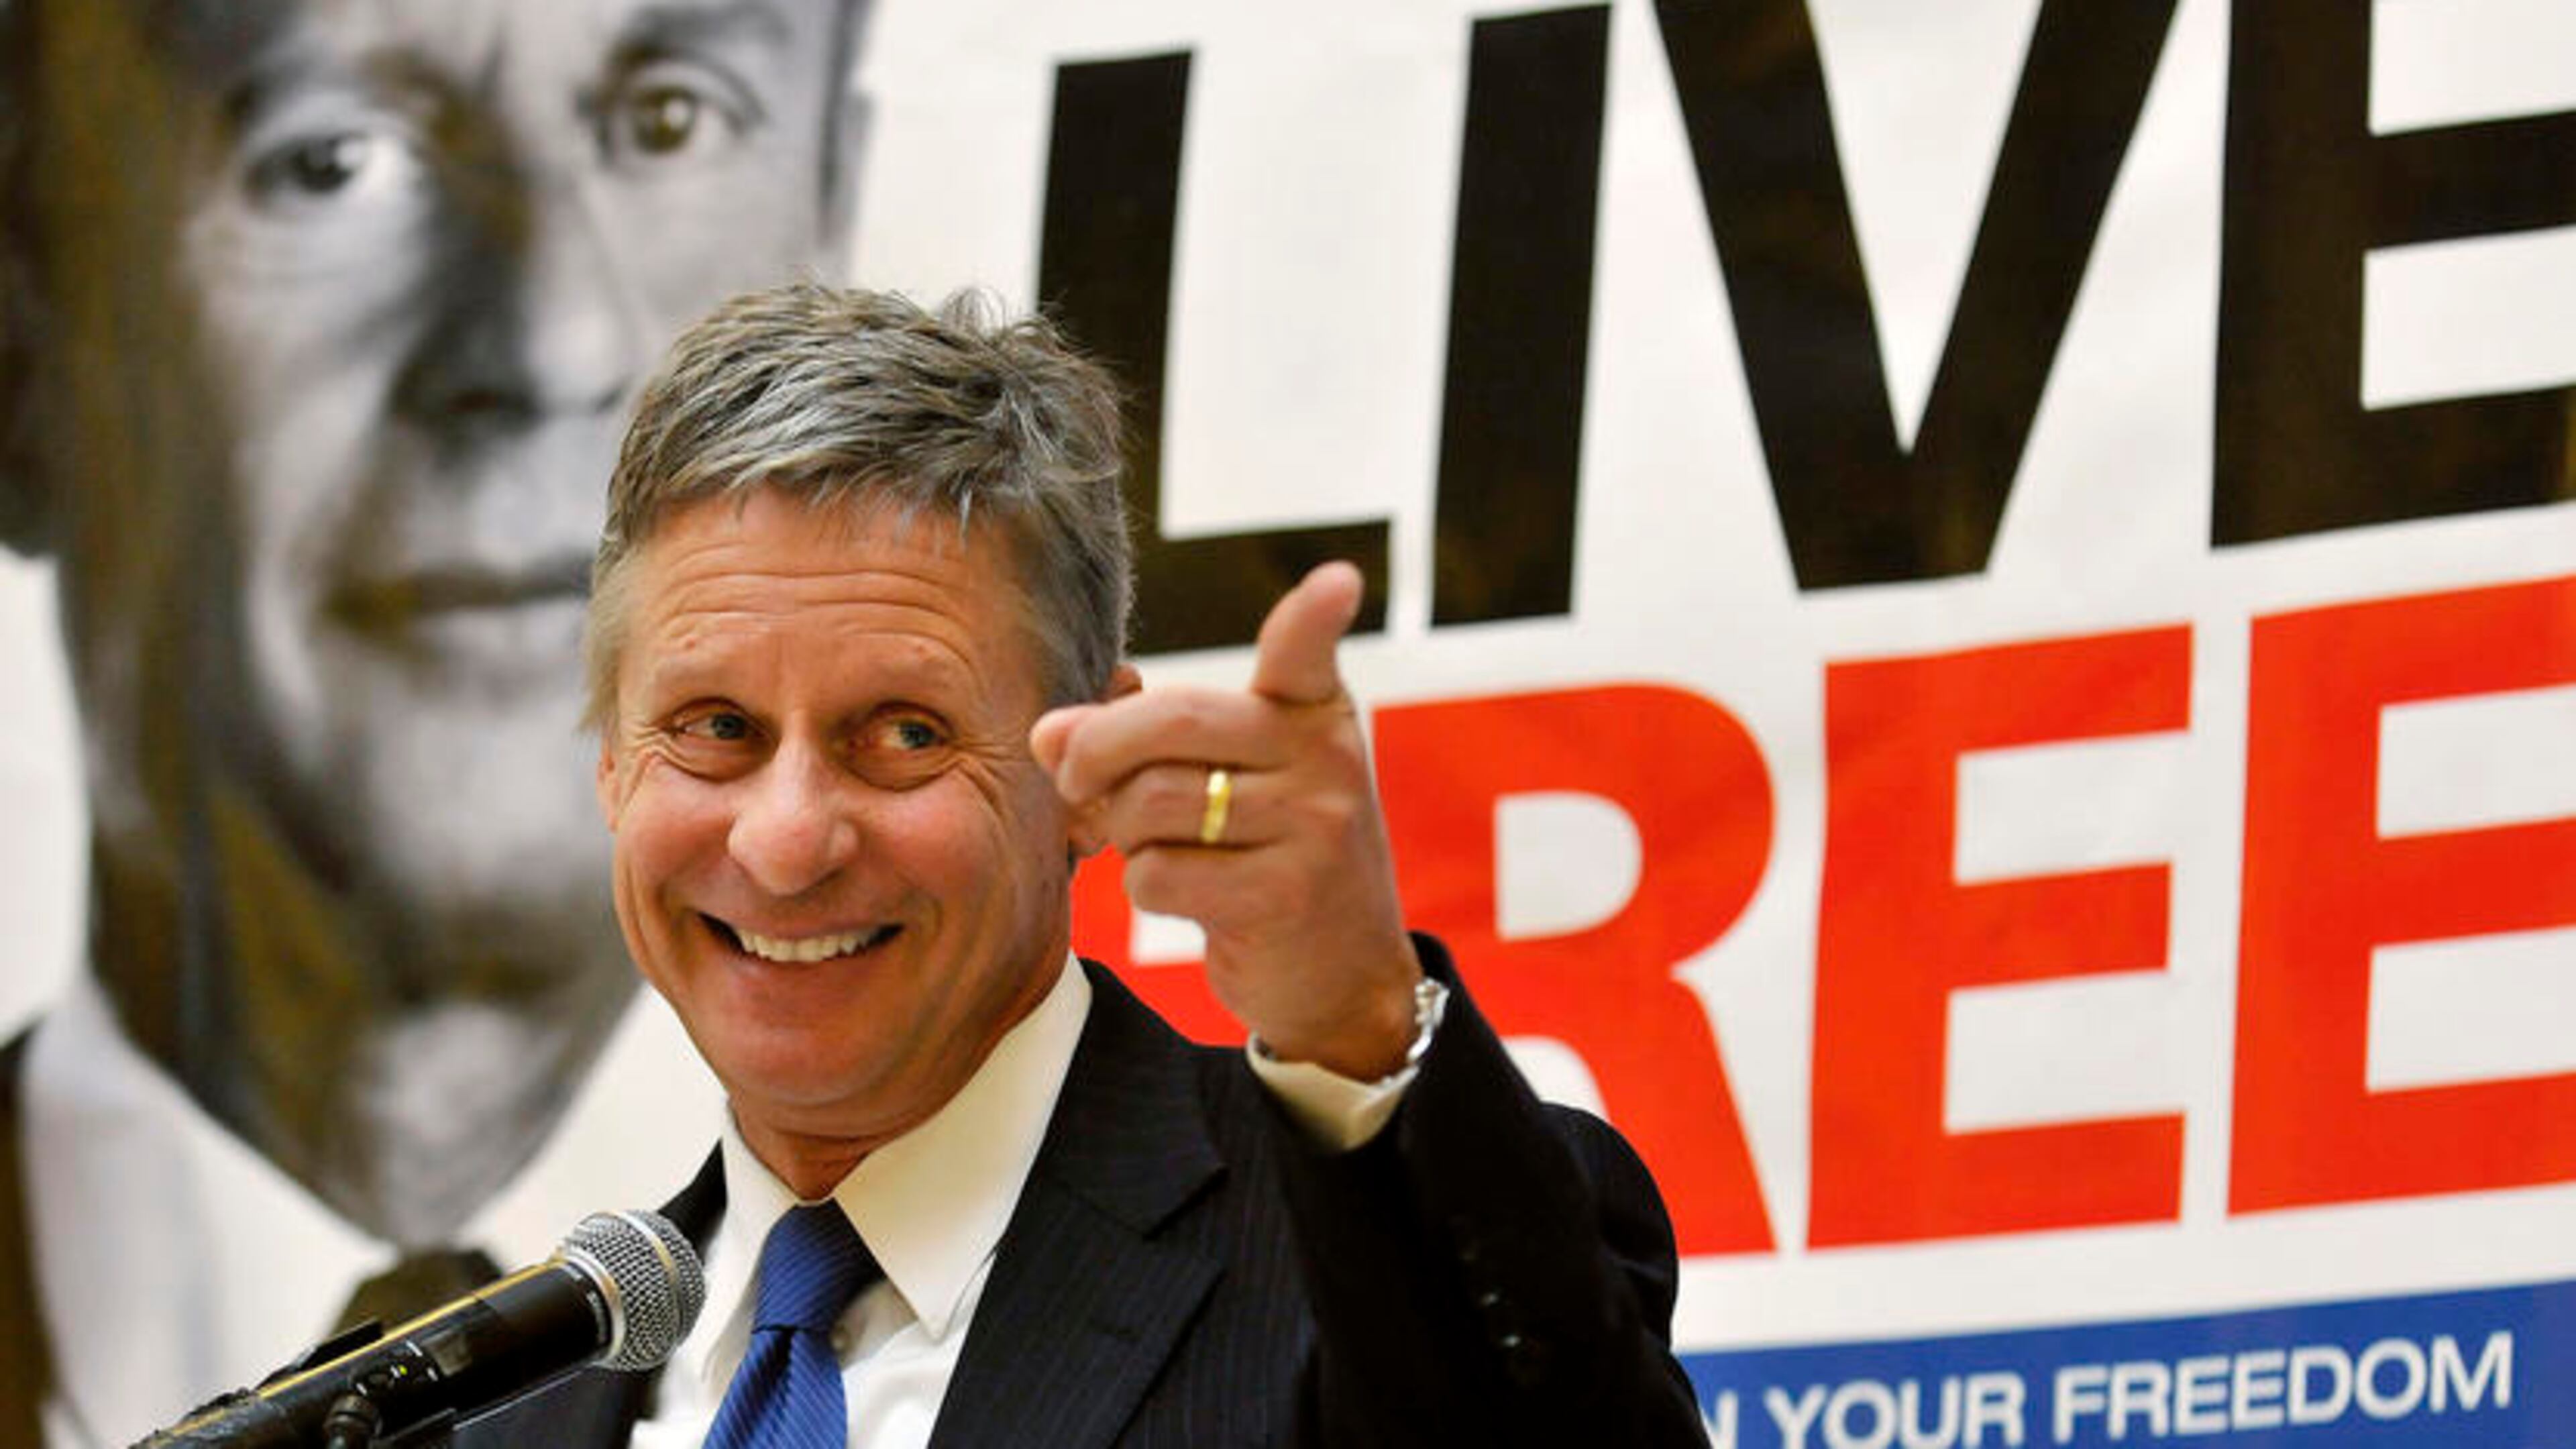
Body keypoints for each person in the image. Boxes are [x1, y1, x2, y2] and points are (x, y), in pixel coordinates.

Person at [460, 281, 1703, 1446]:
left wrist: (1357, 1021)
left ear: (1087, 774)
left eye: (904, 734)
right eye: (716, 730)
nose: (786, 844)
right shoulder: (501, 1411)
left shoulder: (1376, 1256)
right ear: (614, 768)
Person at [0, 1, 874, 1443]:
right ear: (23, 340)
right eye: (328, 158)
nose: (555, 338)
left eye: (670, 118)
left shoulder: (1191, 1274)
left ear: (835, 216)